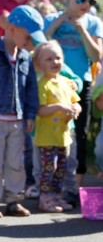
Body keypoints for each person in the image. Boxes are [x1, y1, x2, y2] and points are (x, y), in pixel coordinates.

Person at [0, 5, 41, 218]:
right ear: (11, 28)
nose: (30, 43)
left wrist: (30, 115)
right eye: (28, 37)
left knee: (16, 162)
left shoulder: (25, 58)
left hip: (17, 119)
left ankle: (13, 199)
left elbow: (31, 88)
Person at [44, 0, 103, 194]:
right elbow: (41, 45)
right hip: (54, 85)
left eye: (91, 0)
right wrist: (58, 23)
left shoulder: (93, 23)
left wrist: (82, 31)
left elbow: (96, 55)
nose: (85, 4)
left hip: (82, 86)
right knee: (54, 135)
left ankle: (74, 188)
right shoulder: (53, 19)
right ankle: (51, 185)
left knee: (79, 134)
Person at [32, 41, 82, 212]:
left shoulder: (66, 82)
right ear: (39, 64)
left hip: (64, 137)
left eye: (58, 58)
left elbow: (76, 102)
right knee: (48, 169)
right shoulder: (42, 84)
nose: (55, 62)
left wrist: (76, 108)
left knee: (61, 168)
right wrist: (60, 107)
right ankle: (45, 198)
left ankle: (56, 197)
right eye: (49, 59)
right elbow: (40, 110)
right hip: (47, 138)